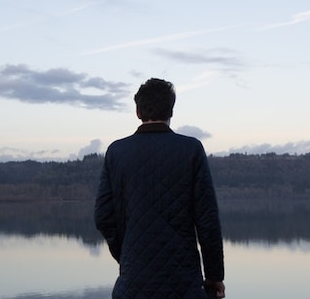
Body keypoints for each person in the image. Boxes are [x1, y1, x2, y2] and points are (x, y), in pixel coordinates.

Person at [95, 78, 225, 299]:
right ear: (171, 111)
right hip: (184, 283)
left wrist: (127, 255)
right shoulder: (191, 149)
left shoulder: (117, 152)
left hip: (132, 283)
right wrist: (214, 276)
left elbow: (103, 217)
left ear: (137, 111)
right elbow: (207, 220)